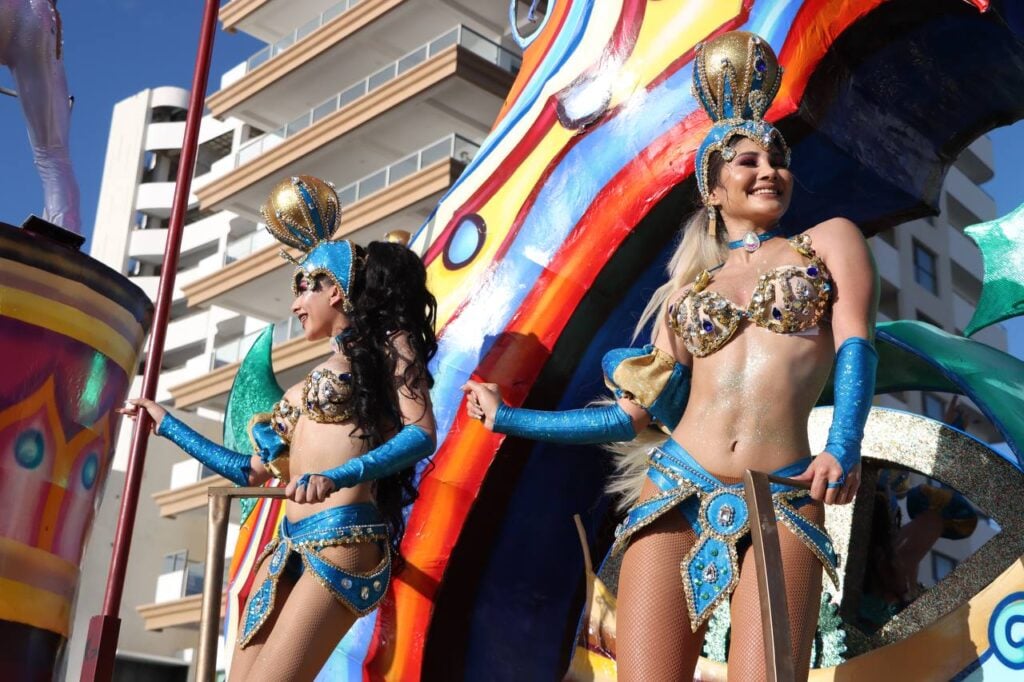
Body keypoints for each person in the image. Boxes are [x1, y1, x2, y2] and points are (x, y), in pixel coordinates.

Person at [462, 31, 878, 680]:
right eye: (746, 161)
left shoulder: (828, 243)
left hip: (785, 494)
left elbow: (855, 342)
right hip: (675, 488)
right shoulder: (689, 290)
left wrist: (844, 443)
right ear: (712, 186)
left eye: (777, 156)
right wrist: (510, 419)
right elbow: (629, 417)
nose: (768, 168)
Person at [121, 175, 438, 681]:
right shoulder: (298, 393)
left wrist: (340, 476)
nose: (294, 305)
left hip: (343, 536)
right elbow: (249, 470)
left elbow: (421, 433)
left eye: (302, 288)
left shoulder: (389, 346)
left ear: (334, 289)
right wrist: (167, 425)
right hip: (288, 544)